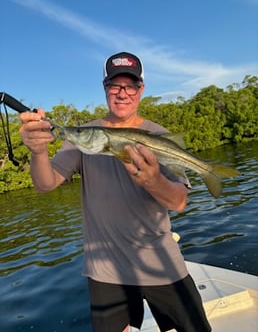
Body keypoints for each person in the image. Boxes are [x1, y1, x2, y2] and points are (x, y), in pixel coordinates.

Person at [19, 52, 211, 332]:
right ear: (105, 88)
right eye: (114, 86)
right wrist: (38, 152)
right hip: (105, 270)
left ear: (141, 90)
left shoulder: (158, 135)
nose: (122, 93)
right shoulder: (84, 135)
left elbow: (179, 202)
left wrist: (153, 180)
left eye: (130, 85)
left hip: (160, 263)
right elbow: (45, 184)